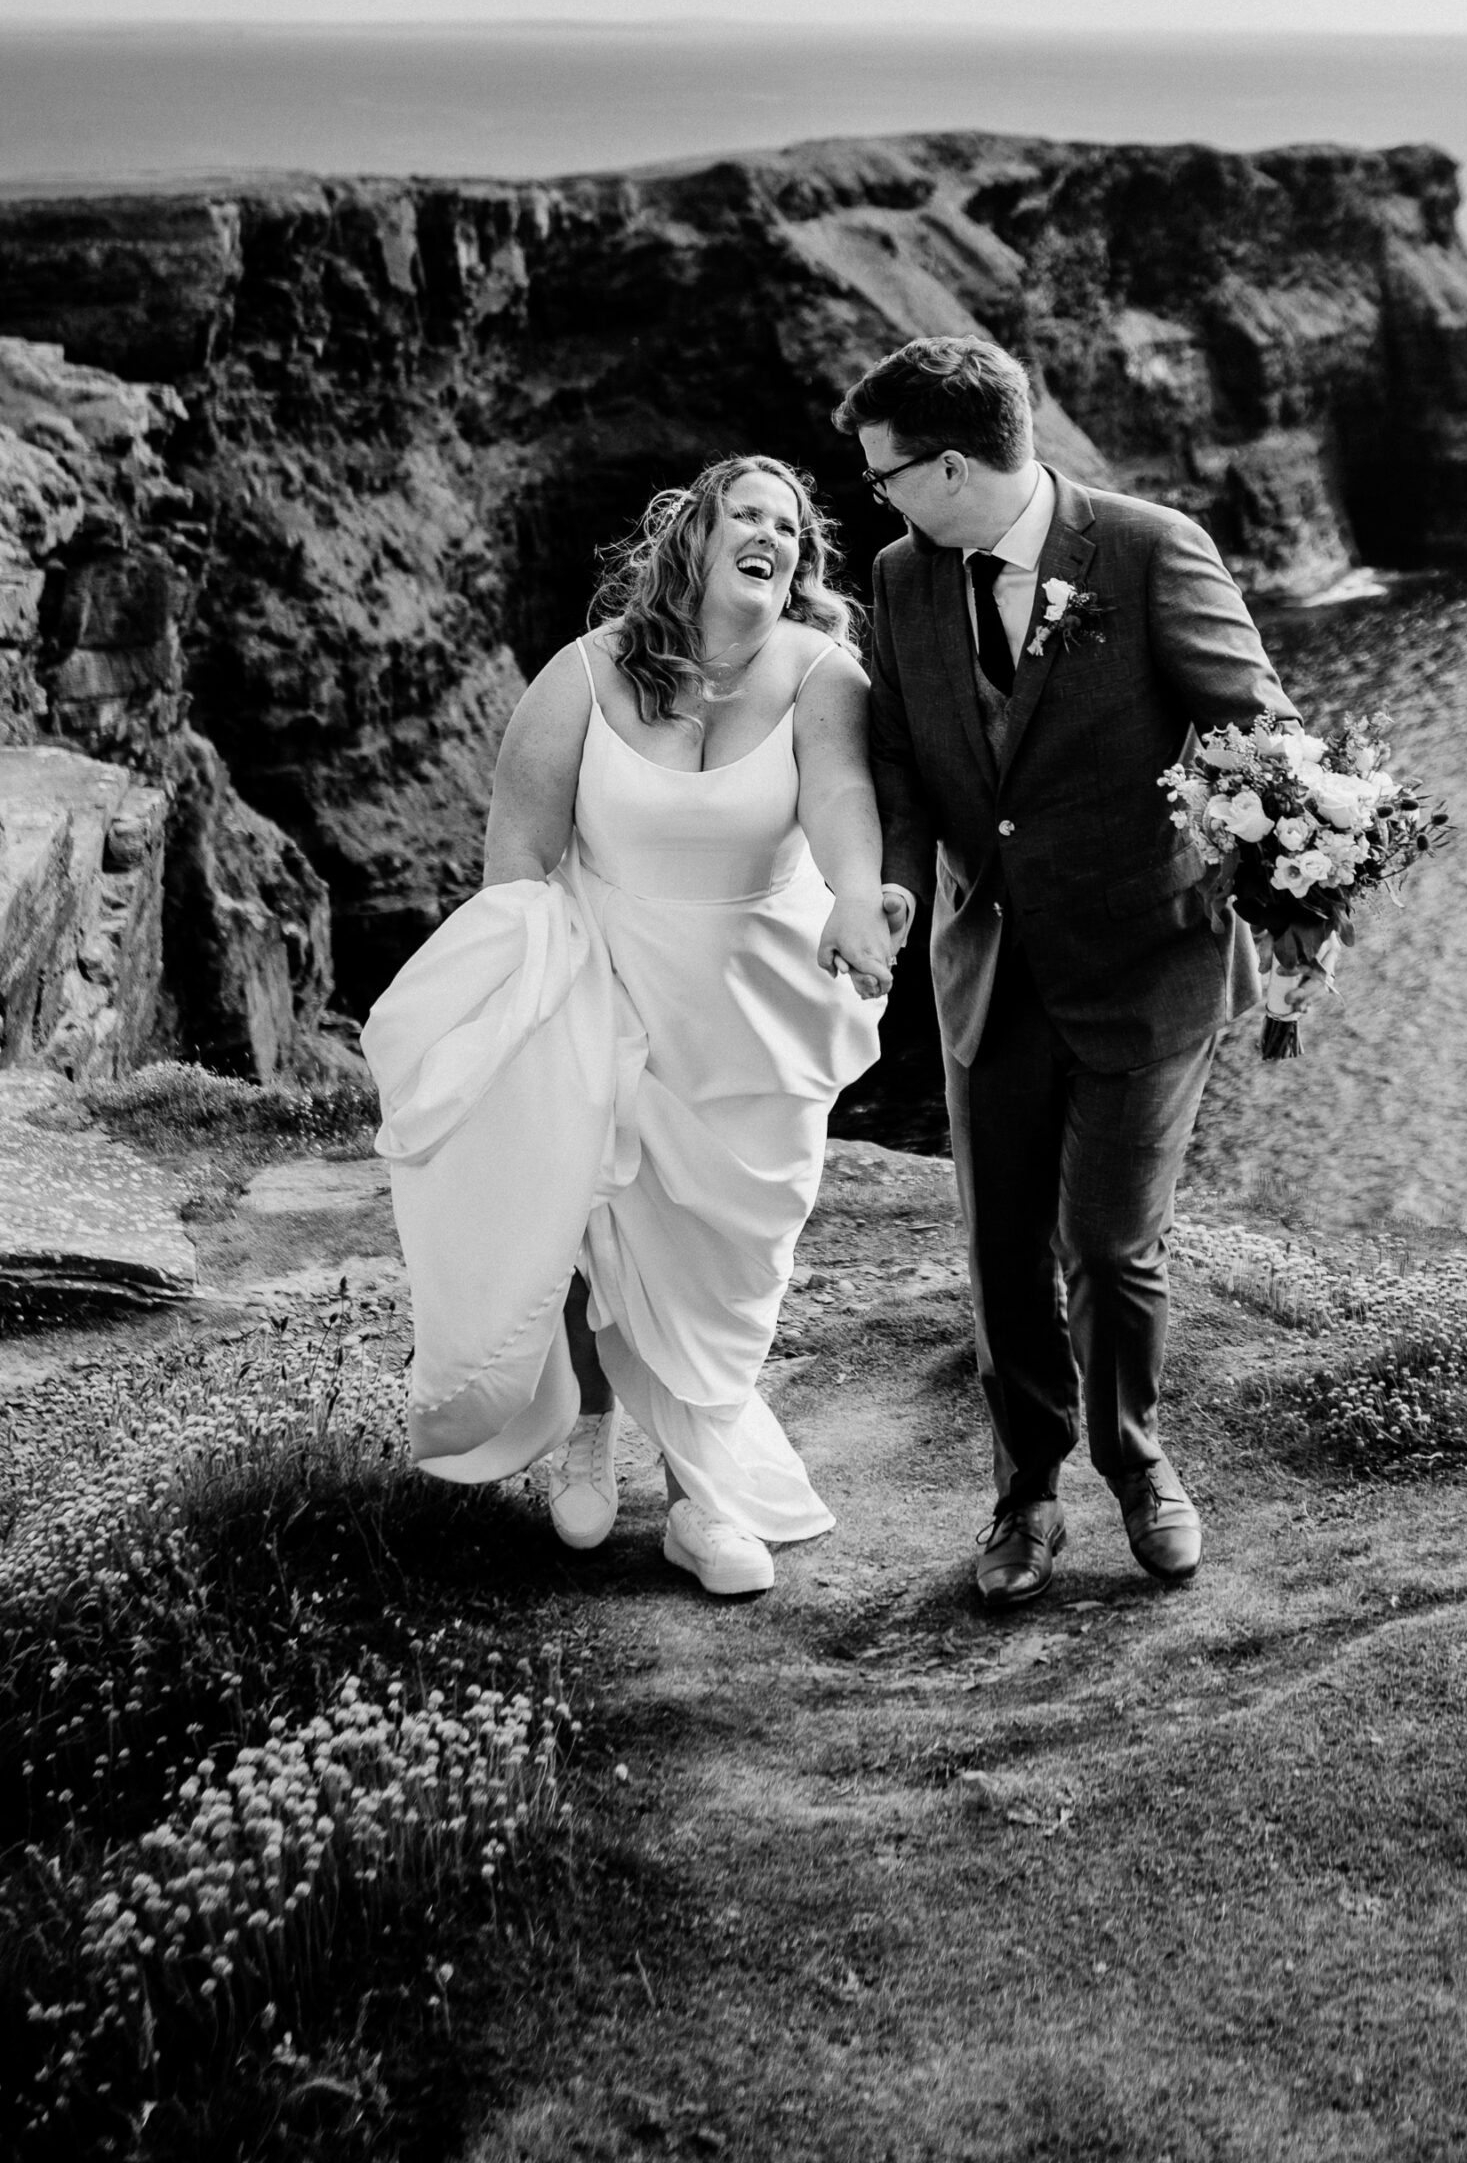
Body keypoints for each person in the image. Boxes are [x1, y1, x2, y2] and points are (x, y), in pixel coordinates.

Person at [361, 457, 893, 1599]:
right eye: (745, 513)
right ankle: (605, 1431)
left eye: (789, 525)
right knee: (586, 1219)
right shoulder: (585, 673)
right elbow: (517, 849)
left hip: (756, 1014)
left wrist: (858, 894)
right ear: (691, 539)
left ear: (801, 564)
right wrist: (522, 999)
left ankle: (700, 1498)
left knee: (733, 1257)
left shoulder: (822, 674)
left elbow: (844, 801)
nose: (771, 533)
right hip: (600, 982)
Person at [834, 337, 1296, 1610]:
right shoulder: (898, 576)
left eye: (886, 477)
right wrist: (893, 881)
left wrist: (1271, 860)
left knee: (1110, 1241)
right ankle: (1025, 1494)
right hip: (985, 963)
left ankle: (1139, 1468)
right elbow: (901, 766)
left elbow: (1256, 728)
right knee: (1000, 1253)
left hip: (1147, 965)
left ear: (948, 466)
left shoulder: (1149, 547)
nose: (876, 500)